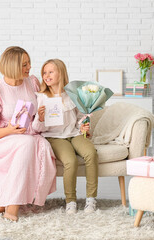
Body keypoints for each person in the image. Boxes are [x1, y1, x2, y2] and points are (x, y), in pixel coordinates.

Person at [0, 47, 57, 221]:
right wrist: (10, 129)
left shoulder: (32, 82)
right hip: (3, 140)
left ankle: (2, 203)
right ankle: (12, 207)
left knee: (38, 144)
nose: (29, 67)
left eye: (29, 62)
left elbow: (40, 113)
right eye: (24, 64)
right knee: (27, 144)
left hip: (29, 135)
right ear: (13, 66)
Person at [32, 59, 99, 214]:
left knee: (91, 153)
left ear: (60, 73)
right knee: (70, 161)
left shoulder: (72, 95)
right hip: (54, 137)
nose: (46, 75)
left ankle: (91, 199)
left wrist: (83, 125)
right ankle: (71, 201)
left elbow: (79, 117)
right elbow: (37, 128)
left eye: (50, 72)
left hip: (74, 134)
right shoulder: (41, 97)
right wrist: (40, 118)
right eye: (44, 72)